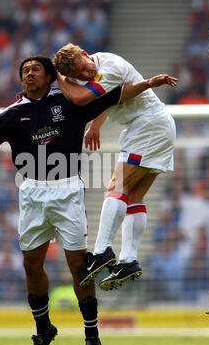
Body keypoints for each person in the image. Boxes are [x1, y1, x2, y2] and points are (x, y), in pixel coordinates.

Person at [0, 55, 174, 345]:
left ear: (50, 76)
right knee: (31, 265)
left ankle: (91, 335)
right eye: (24, 71)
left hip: (67, 190)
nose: (29, 74)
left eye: (35, 69)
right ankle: (43, 329)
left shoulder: (71, 103)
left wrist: (148, 83)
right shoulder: (10, 115)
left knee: (79, 266)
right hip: (32, 192)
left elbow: (117, 94)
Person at [53, 43, 177, 290]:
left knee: (115, 186)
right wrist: (96, 125)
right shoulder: (96, 71)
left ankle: (101, 251)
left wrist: (58, 74)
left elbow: (81, 98)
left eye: (84, 69)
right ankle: (129, 259)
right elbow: (109, 99)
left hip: (148, 125)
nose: (85, 76)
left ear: (87, 55)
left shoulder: (110, 66)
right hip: (153, 126)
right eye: (77, 75)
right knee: (134, 195)